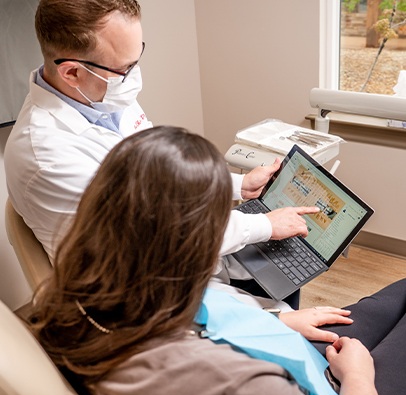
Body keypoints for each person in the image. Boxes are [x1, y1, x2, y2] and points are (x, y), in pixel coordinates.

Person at [28, 126, 406, 395]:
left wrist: (277, 321)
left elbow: (193, 328)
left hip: (269, 344)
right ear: (199, 245)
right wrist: (358, 375)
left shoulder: (71, 302)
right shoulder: (235, 384)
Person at [4, 0, 318, 309]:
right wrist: (263, 226)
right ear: (72, 73)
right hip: (141, 297)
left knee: (283, 263)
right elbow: (157, 236)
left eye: (136, 58)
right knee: (296, 325)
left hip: (180, 259)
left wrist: (238, 185)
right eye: (125, 68)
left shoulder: (104, 99)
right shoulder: (48, 156)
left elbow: (164, 180)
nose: (135, 76)